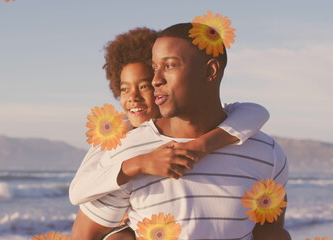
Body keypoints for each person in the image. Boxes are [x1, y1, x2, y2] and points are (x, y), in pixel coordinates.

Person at [70, 27, 279, 239]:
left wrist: (200, 146)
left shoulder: (264, 149)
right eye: (124, 89)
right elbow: (78, 198)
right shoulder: (122, 144)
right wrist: (139, 163)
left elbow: (254, 112)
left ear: (210, 71)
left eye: (168, 66)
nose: (155, 81)